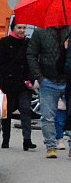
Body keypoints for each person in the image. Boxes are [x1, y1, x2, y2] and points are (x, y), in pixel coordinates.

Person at [27, 20, 70, 158]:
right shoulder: (40, 31)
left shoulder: (69, 30)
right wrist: (39, 77)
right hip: (48, 80)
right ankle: (51, 146)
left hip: (68, 79)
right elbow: (31, 54)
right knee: (47, 116)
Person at [0, 20, 36, 151]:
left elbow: (32, 62)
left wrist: (30, 78)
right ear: (13, 28)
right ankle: (6, 139)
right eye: (19, 27)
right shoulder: (5, 42)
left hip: (24, 83)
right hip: (8, 83)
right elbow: (0, 63)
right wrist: (0, 83)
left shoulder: (28, 43)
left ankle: (27, 140)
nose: (22, 30)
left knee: (25, 110)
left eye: (24, 27)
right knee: (7, 112)